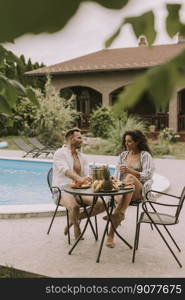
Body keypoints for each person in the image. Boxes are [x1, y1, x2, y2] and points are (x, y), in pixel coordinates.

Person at [104, 129, 155, 248]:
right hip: (123, 192)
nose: (126, 144)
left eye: (130, 141)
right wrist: (113, 179)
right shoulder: (123, 155)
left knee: (130, 178)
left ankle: (115, 222)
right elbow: (118, 176)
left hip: (137, 191)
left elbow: (148, 175)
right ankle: (119, 214)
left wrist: (130, 171)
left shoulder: (145, 155)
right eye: (125, 141)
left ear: (137, 142)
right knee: (118, 185)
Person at [52, 127, 105, 240]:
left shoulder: (82, 156)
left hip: (79, 190)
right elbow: (66, 171)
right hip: (62, 190)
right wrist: (80, 179)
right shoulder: (60, 153)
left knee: (101, 204)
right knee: (74, 207)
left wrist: (89, 178)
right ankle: (76, 227)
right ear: (71, 139)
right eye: (79, 138)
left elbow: (86, 174)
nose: (82, 140)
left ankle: (74, 220)